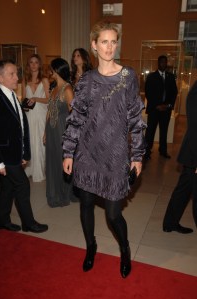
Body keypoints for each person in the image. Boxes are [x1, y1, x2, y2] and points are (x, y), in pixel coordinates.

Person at [62, 21, 146, 278]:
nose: (110, 47)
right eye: (104, 42)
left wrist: (137, 157)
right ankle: (91, 247)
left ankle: (125, 249)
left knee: (113, 213)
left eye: (113, 41)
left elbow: (135, 119)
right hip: (87, 153)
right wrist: (68, 152)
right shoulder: (86, 79)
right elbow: (77, 116)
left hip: (116, 154)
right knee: (85, 205)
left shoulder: (128, 76)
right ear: (94, 45)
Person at [0, 59, 48, 233]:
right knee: (23, 185)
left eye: (16, 73)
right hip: (5, 155)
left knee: (8, 187)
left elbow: (21, 125)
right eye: (11, 74)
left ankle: (2, 219)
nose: (16, 77)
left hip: (16, 152)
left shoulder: (12, 95)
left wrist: (25, 153)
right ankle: (29, 223)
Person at [163, 81, 197, 234]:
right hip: (194, 153)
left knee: (184, 189)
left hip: (192, 153)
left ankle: (170, 222)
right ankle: (170, 222)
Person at [44, 58, 78, 207]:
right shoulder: (54, 88)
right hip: (51, 131)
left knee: (61, 161)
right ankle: (54, 193)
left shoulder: (68, 89)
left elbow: (75, 115)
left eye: (51, 69)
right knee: (52, 162)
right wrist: (45, 132)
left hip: (62, 131)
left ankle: (65, 193)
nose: (49, 72)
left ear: (56, 71)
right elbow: (50, 111)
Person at [22, 54, 49, 182]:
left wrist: (36, 99)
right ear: (28, 65)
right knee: (30, 141)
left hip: (41, 115)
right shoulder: (24, 80)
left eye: (36, 62)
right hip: (29, 115)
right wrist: (25, 105)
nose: (33, 65)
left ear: (39, 64)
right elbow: (23, 100)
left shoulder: (44, 80)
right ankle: (30, 170)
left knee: (40, 142)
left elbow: (49, 99)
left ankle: (41, 171)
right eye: (31, 62)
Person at [144, 55, 178, 160]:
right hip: (154, 110)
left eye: (165, 62)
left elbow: (174, 93)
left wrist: (168, 105)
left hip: (166, 110)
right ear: (158, 63)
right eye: (161, 62)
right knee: (150, 131)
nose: (163, 64)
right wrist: (157, 105)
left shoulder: (171, 77)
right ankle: (146, 152)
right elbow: (148, 93)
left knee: (164, 131)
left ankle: (163, 151)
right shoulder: (151, 77)